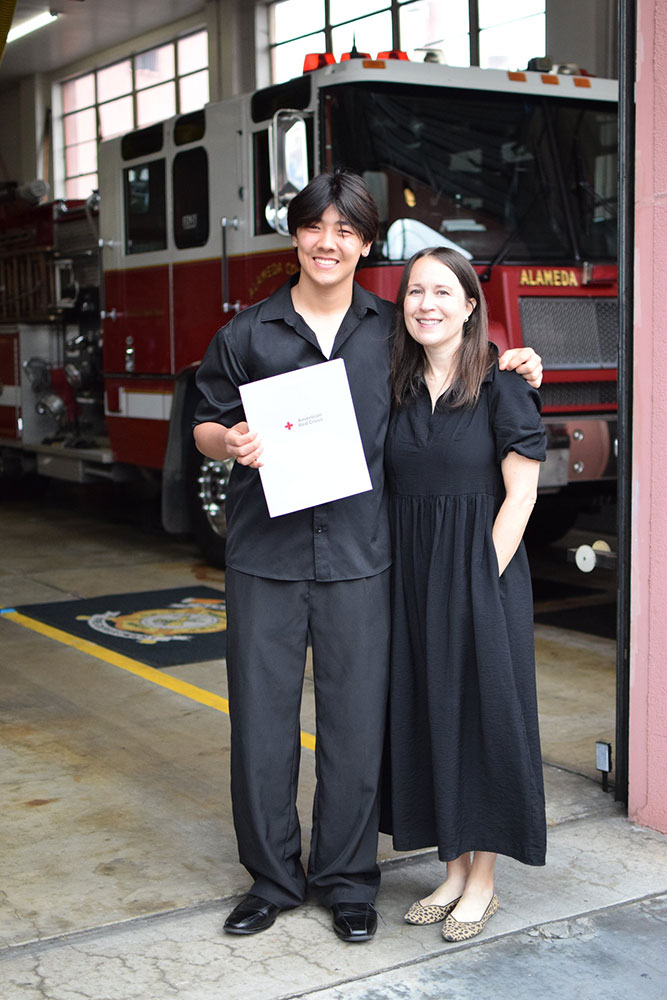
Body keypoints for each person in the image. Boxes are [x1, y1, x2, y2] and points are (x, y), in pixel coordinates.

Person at [192, 171, 542, 943]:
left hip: (363, 559)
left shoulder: (389, 331)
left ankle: (349, 882)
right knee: (261, 726)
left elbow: (455, 361)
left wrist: (514, 360)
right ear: (295, 237)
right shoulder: (246, 332)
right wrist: (230, 442)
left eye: (345, 231)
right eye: (314, 228)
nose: (328, 242)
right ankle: (273, 880)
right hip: (265, 557)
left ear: (364, 243)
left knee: (355, 726)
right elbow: (204, 424)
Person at [383, 246, 547, 943]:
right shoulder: (393, 384)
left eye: (442, 291)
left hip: (480, 574)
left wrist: (479, 576)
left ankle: (482, 881)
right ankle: (450, 868)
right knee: (428, 713)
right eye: (415, 291)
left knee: (479, 719)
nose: (426, 303)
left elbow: (521, 492)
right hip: (409, 576)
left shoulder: (502, 382)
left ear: (470, 304)